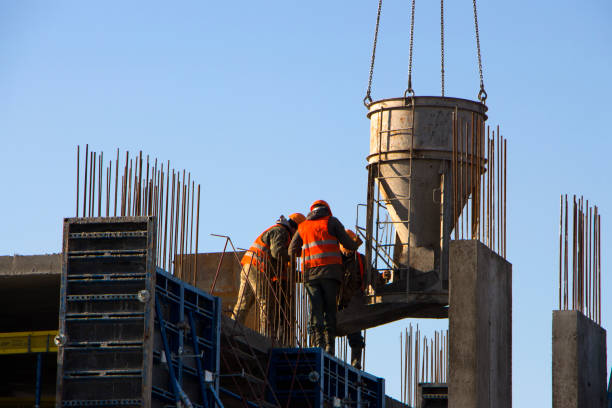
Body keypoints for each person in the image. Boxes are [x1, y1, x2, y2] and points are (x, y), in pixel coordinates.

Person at [288, 200, 360, 354]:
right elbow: (348, 244)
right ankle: (329, 346)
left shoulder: (303, 226)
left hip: (310, 275)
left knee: (315, 309)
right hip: (330, 274)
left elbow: (291, 250)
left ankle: (318, 343)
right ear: (327, 210)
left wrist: (307, 253)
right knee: (330, 310)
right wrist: (357, 243)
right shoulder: (332, 222)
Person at [232, 212, 306, 336]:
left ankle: (233, 328)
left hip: (248, 267)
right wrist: (292, 256)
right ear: (295, 229)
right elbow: (277, 252)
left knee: (243, 303)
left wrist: (303, 276)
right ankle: (265, 336)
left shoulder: (282, 234)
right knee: (266, 302)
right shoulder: (281, 231)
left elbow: (286, 271)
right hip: (258, 268)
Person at [337, 229, 390, 369]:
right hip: (335, 299)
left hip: (354, 301)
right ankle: (326, 351)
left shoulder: (360, 260)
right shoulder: (333, 258)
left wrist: (383, 278)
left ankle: (356, 361)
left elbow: (373, 278)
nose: (350, 250)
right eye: (348, 247)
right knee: (327, 330)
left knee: (355, 331)